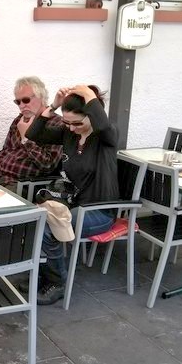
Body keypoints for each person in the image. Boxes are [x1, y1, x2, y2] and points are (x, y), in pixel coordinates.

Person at [26, 85, 119, 305]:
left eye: (77, 122)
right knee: (33, 219)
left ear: (92, 117)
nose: (72, 127)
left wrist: (88, 94)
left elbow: (104, 124)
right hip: (69, 205)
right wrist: (54, 105)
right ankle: (43, 276)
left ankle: (57, 283)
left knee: (48, 229)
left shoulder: (105, 138)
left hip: (98, 211)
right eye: (67, 122)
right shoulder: (69, 134)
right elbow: (33, 133)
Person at [0, 76, 63, 190]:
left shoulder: (57, 124)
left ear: (41, 97)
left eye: (26, 100)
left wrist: (26, 138)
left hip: (23, 185)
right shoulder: (19, 120)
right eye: (18, 102)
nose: (22, 106)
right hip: (0, 177)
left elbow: (47, 165)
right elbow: (6, 150)